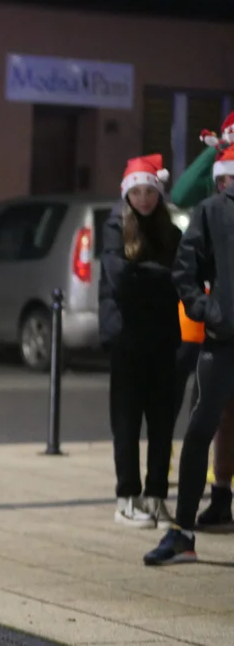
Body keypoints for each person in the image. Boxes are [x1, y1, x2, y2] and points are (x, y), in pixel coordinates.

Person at [144, 145, 234, 565]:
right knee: (200, 431)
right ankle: (183, 533)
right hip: (223, 339)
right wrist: (207, 310)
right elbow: (185, 270)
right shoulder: (212, 211)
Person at [99, 154, 182, 529]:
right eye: (137, 192)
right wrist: (161, 277)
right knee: (127, 421)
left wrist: (146, 276)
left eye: (150, 192)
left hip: (163, 339)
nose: (144, 199)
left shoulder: (171, 233)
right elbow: (119, 279)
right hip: (127, 338)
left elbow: (179, 278)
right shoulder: (115, 227)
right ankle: (127, 498)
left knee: (162, 423)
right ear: (127, 194)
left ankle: (156, 497)